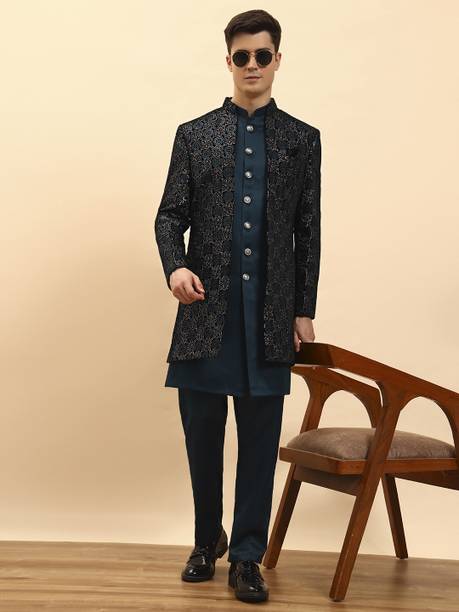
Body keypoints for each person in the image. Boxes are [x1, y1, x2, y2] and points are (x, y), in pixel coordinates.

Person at [154, 8, 321, 604]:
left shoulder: (302, 139)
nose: (253, 65)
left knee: (259, 444)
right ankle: (208, 541)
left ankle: (247, 557)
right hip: (206, 316)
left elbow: (308, 230)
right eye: (243, 56)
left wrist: (303, 308)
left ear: (277, 60)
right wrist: (176, 265)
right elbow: (169, 215)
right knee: (202, 438)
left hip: (270, 319)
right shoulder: (194, 135)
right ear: (229, 61)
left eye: (263, 55)